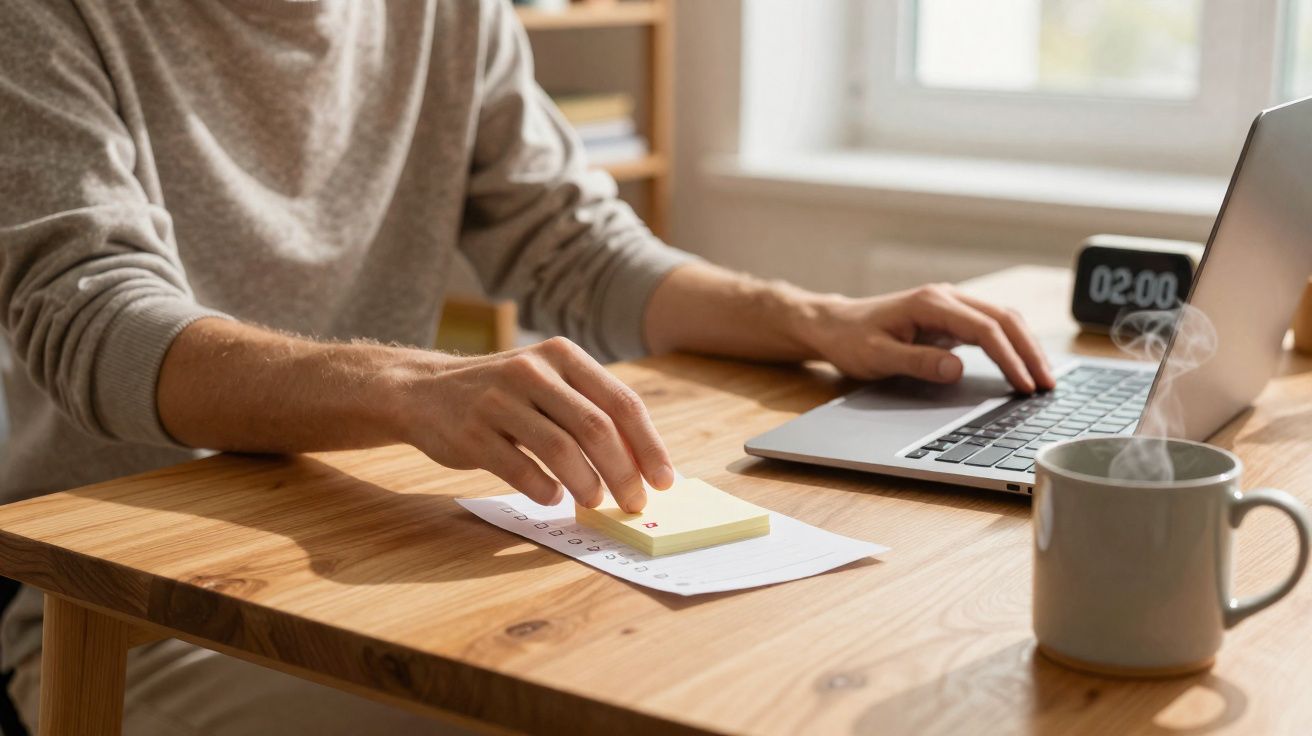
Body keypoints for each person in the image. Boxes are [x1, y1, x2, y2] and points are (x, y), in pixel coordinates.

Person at [0, 0, 1055, 733]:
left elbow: (571, 239)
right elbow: (93, 318)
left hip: (384, 547)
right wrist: (411, 388)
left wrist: (816, 318)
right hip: (129, 612)